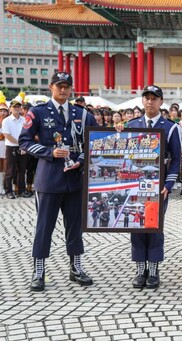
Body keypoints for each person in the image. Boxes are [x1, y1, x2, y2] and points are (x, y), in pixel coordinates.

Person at [19, 71, 98, 292]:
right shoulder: (38, 112)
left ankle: (76, 268)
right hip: (49, 180)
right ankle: (39, 271)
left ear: (71, 89)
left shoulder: (82, 114)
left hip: (74, 179)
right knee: (44, 227)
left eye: (67, 86)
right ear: (51, 87)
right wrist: (49, 152)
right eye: (59, 86)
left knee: (75, 227)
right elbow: (24, 142)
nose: (63, 90)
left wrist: (81, 160)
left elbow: (94, 141)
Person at [126, 85, 181, 289]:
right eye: (147, 98)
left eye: (154, 98)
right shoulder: (131, 126)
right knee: (137, 225)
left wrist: (169, 184)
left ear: (161, 102)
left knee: (155, 227)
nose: (150, 102)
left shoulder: (170, 128)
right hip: (135, 186)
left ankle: (154, 270)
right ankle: (141, 269)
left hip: (159, 188)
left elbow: (176, 159)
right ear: (142, 101)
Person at [2, 100, 30, 199]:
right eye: (14, 107)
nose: (17, 109)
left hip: (22, 147)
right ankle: (8, 191)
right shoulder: (6, 120)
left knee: (22, 170)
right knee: (10, 171)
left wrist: (23, 145)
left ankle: (21, 190)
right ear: (10, 108)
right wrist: (20, 144)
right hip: (11, 147)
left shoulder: (24, 120)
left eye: (18, 107)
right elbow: (7, 135)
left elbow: (27, 133)